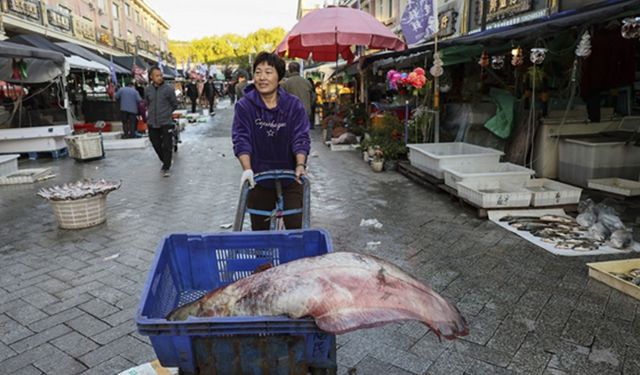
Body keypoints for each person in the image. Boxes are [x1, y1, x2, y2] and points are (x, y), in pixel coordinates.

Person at [232, 52, 311, 231]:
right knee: (261, 230)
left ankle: (293, 258)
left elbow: (300, 137)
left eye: (268, 72)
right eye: (258, 72)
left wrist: (300, 164)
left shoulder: (293, 105)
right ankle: (264, 259)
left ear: (279, 76)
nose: (262, 77)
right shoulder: (245, 106)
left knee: (296, 228)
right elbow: (241, 138)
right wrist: (247, 169)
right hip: (259, 178)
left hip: (291, 176)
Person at [145, 66, 178, 177]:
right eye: (157, 76)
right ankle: (165, 160)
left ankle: (166, 167)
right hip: (152, 121)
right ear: (151, 77)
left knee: (167, 145)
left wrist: (167, 113)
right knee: (155, 143)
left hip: (166, 121)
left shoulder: (168, 89)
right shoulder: (148, 90)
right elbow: (147, 103)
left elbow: (174, 103)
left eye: (160, 75)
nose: (159, 78)